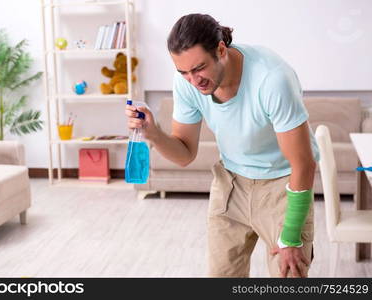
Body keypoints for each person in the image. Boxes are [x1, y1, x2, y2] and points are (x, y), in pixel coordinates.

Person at [125, 13, 319, 278]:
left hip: (282, 186)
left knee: (289, 276)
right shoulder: (187, 83)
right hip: (231, 182)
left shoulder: (272, 79)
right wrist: (153, 133)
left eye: (199, 69)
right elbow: (184, 154)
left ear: (221, 49)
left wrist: (292, 234)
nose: (193, 81)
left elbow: (303, 163)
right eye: (184, 72)